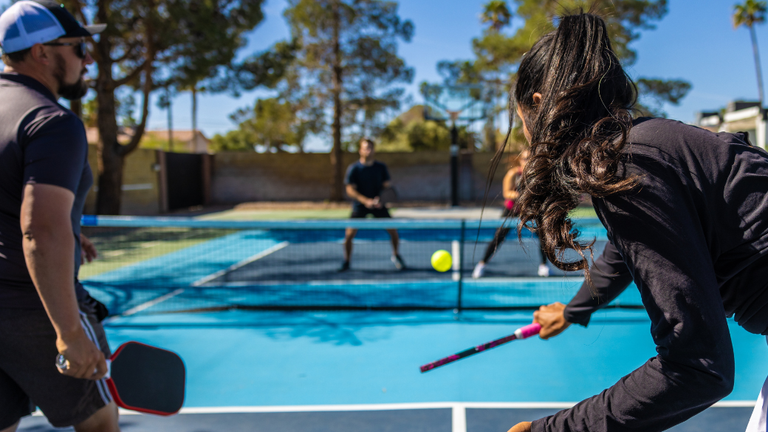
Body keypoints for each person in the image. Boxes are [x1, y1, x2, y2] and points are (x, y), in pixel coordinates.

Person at [502, 12, 768, 432]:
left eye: (522, 126)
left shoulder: (630, 162)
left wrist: (550, 431)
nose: (526, 141)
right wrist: (573, 311)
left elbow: (696, 366)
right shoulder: (646, 144)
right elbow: (625, 253)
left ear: (538, 107)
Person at [0, 1, 119, 431]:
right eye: (78, 48)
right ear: (42, 53)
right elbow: (40, 231)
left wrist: (70, 230)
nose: (89, 60)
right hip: (31, 305)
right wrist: (69, 332)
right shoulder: (51, 121)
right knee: (99, 424)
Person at [472, 149, 549, 278]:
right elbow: (506, 193)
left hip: (530, 211)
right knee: (498, 237)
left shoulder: (537, 175)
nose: (528, 160)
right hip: (512, 211)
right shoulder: (513, 173)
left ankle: (544, 266)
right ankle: (481, 264)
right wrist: (523, 195)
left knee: (543, 237)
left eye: (530, 158)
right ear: (520, 160)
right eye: (525, 158)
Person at [340, 138, 405, 272]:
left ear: (374, 150)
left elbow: (387, 186)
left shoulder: (380, 167)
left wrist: (380, 200)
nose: (368, 150)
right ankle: (346, 261)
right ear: (360, 150)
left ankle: (396, 255)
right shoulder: (354, 169)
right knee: (348, 236)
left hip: (379, 206)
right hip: (360, 206)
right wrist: (365, 201)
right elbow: (350, 190)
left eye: (370, 148)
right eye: (365, 148)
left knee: (393, 232)